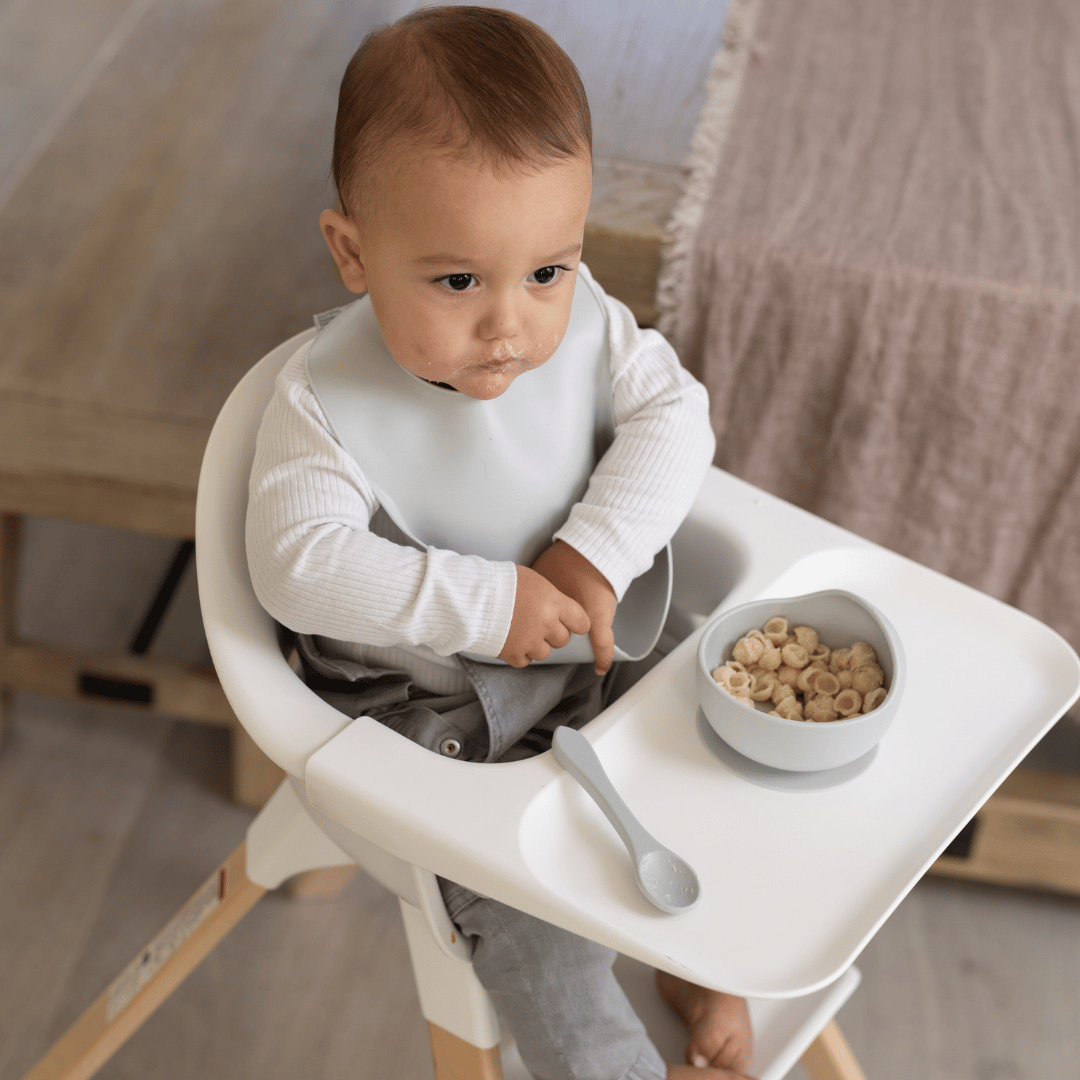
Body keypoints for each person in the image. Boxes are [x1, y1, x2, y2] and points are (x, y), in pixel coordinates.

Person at [246, 7, 753, 1078]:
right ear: (351, 251)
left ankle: (713, 963)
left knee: (709, 763)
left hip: (585, 661)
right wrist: (488, 602)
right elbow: (296, 564)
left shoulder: (586, 331)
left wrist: (588, 559)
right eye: (459, 280)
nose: (512, 328)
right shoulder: (321, 407)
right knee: (538, 942)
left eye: (548, 272)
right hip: (435, 730)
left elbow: (679, 418)